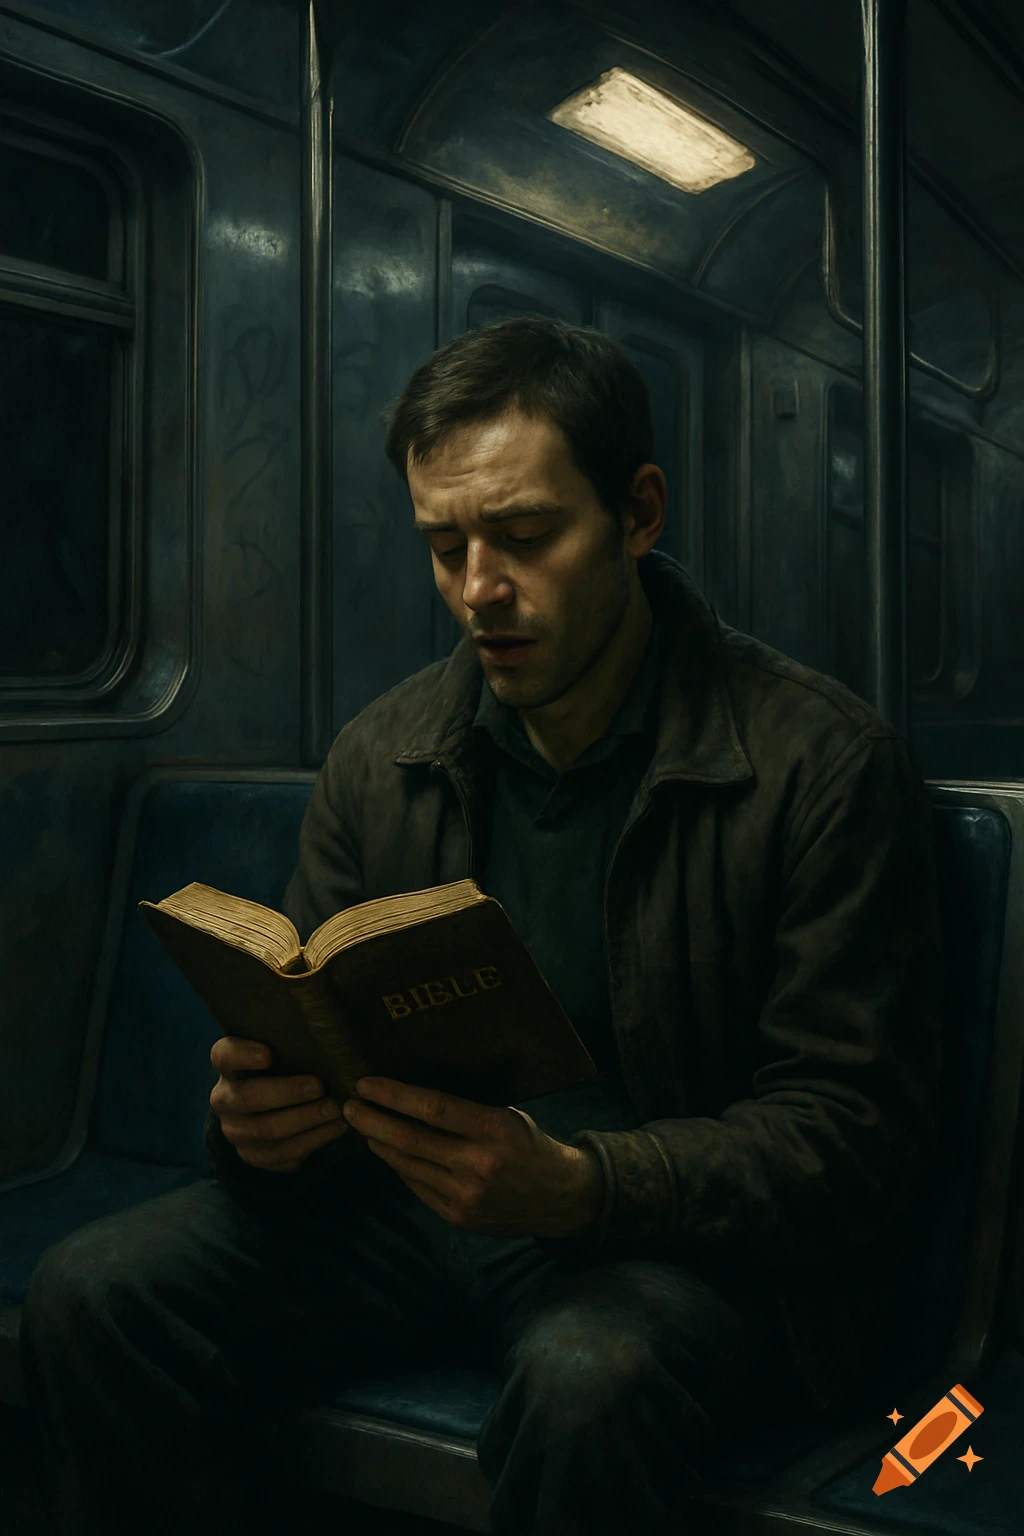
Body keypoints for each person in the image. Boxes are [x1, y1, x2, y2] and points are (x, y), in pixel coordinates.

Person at [19, 318, 942, 1536]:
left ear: (640, 514)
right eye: (442, 546)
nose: (476, 592)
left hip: (663, 1245)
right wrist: (259, 1131)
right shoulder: (385, 753)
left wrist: (576, 1184)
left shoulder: (815, 765)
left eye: (522, 537)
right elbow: (315, 1019)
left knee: (586, 1383)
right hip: (415, 1210)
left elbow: (851, 1138)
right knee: (92, 1292)